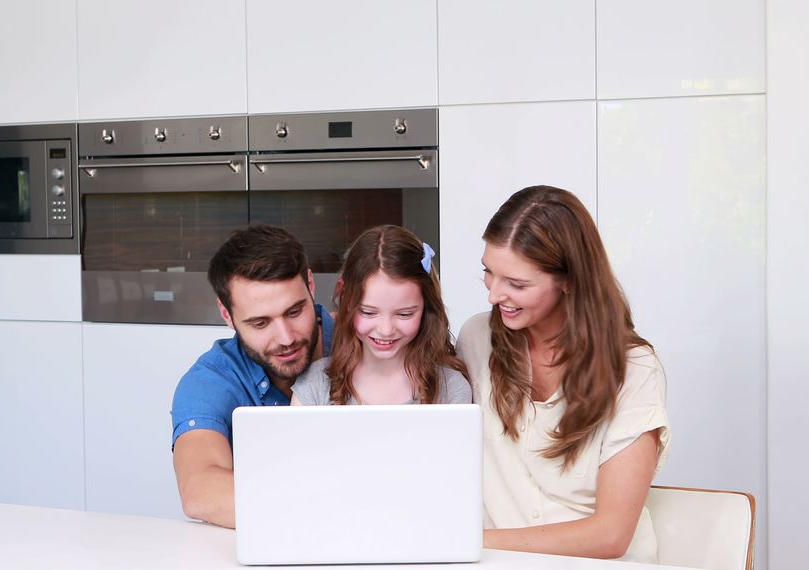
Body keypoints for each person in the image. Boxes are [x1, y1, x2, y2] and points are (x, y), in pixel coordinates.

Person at [456, 186, 670, 562]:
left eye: (517, 284)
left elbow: (611, 535)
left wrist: (471, 540)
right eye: (489, 273)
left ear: (569, 280)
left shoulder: (633, 368)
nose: (493, 295)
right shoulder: (476, 339)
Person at [170, 225, 335, 529]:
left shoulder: (368, 339)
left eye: (295, 312)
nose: (285, 338)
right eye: (260, 324)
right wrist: (338, 510)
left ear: (310, 284)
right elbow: (201, 490)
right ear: (226, 314)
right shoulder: (209, 381)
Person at [292, 225, 469, 406]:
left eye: (404, 314)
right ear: (345, 299)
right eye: (368, 312)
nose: (386, 330)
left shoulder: (451, 389)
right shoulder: (315, 385)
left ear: (426, 307)